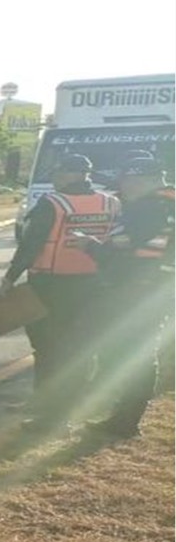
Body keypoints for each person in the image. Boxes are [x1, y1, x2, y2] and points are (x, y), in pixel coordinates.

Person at [0, 153, 122, 428]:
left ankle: (48, 412)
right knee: (77, 348)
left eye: (60, 172)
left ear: (75, 174)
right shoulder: (111, 202)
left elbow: (30, 245)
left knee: (46, 347)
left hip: (50, 285)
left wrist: (8, 279)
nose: (55, 177)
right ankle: (61, 405)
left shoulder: (53, 203)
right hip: (92, 284)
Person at [82, 157, 174, 437]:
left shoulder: (148, 209)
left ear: (139, 180)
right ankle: (125, 417)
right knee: (138, 353)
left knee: (129, 354)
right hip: (157, 288)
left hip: (138, 290)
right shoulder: (168, 202)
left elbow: (125, 249)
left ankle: (125, 420)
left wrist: (91, 247)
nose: (122, 189)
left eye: (125, 183)